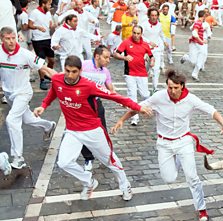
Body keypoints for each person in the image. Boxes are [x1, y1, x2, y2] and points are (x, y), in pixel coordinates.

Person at [111, 69, 223, 221]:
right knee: (169, 178)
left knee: (192, 177)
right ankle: (178, 161)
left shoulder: (191, 99)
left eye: (175, 88)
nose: (172, 91)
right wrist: (122, 120)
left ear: (182, 86)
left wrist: (222, 122)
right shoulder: (159, 97)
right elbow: (137, 107)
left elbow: (211, 110)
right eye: (169, 87)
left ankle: (201, 208)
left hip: (183, 142)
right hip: (164, 143)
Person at [33, 55, 152, 200]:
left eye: (74, 72)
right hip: (72, 131)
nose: (70, 75)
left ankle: (124, 184)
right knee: (63, 162)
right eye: (68, 71)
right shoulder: (57, 79)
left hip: (92, 130)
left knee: (110, 161)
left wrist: (138, 107)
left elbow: (116, 97)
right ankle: (89, 181)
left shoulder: (88, 85)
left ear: (80, 71)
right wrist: (43, 106)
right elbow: (53, 92)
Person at [0, 27, 56, 169]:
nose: (12, 41)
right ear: (2, 39)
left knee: (12, 120)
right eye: (8, 38)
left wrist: (62, 79)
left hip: (23, 93)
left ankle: (18, 158)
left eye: (13, 38)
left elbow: (44, 68)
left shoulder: (25, 54)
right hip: (9, 94)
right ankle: (49, 126)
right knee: (28, 119)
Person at [80, 45, 117, 170]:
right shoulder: (83, 65)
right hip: (82, 105)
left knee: (102, 131)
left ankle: (106, 155)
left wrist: (120, 99)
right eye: (106, 57)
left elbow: (111, 89)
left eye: (109, 58)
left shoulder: (105, 72)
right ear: (97, 56)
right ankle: (88, 158)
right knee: (83, 132)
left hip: (96, 104)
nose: (108, 60)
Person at [113, 25, 154, 126]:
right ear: (132, 32)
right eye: (134, 33)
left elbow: (151, 56)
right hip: (130, 73)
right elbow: (116, 54)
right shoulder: (126, 42)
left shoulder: (145, 44)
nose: (136, 35)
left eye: (138, 33)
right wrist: (124, 57)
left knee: (144, 94)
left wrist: (152, 62)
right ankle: (134, 118)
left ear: (141, 34)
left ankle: (149, 106)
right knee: (132, 95)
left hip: (142, 73)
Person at [28, 0, 56, 90]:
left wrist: (53, 26)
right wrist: (37, 27)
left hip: (47, 38)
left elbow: (50, 24)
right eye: (49, 4)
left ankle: (47, 73)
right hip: (38, 40)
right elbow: (29, 25)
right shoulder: (34, 13)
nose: (50, 6)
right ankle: (42, 80)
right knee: (41, 61)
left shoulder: (48, 13)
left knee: (51, 60)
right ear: (43, 4)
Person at [141, 7, 168, 92]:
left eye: (156, 15)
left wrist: (164, 41)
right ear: (149, 16)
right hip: (145, 49)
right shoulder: (144, 24)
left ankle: (154, 88)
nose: (154, 17)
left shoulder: (159, 25)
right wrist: (149, 42)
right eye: (152, 15)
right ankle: (142, 87)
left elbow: (161, 33)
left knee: (156, 69)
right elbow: (140, 35)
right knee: (144, 70)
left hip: (156, 50)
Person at [180, 10, 207, 81]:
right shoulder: (198, 23)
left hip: (200, 44)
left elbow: (191, 28)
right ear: (203, 16)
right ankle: (185, 57)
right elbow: (194, 33)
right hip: (194, 43)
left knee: (201, 58)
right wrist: (201, 40)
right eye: (205, 16)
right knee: (193, 61)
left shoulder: (199, 22)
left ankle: (195, 74)